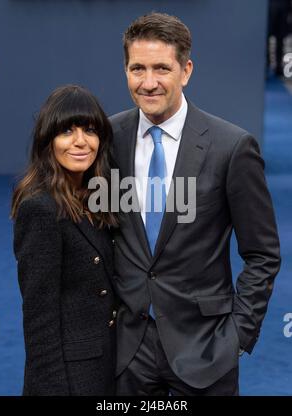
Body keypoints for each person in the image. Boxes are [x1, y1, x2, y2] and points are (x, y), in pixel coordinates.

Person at [110, 13, 281, 396]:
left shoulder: (231, 147)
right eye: (137, 68)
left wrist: (236, 335)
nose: (148, 82)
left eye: (161, 68)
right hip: (126, 350)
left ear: (185, 70)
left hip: (206, 348)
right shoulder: (107, 138)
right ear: (125, 70)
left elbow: (263, 253)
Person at [12, 85, 117, 396]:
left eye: (89, 130)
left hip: (107, 368)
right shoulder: (40, 209)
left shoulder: (99, 198)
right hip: (68, 380)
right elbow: (39, 317)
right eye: (67, 131)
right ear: (48, 141)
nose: (80, 141)